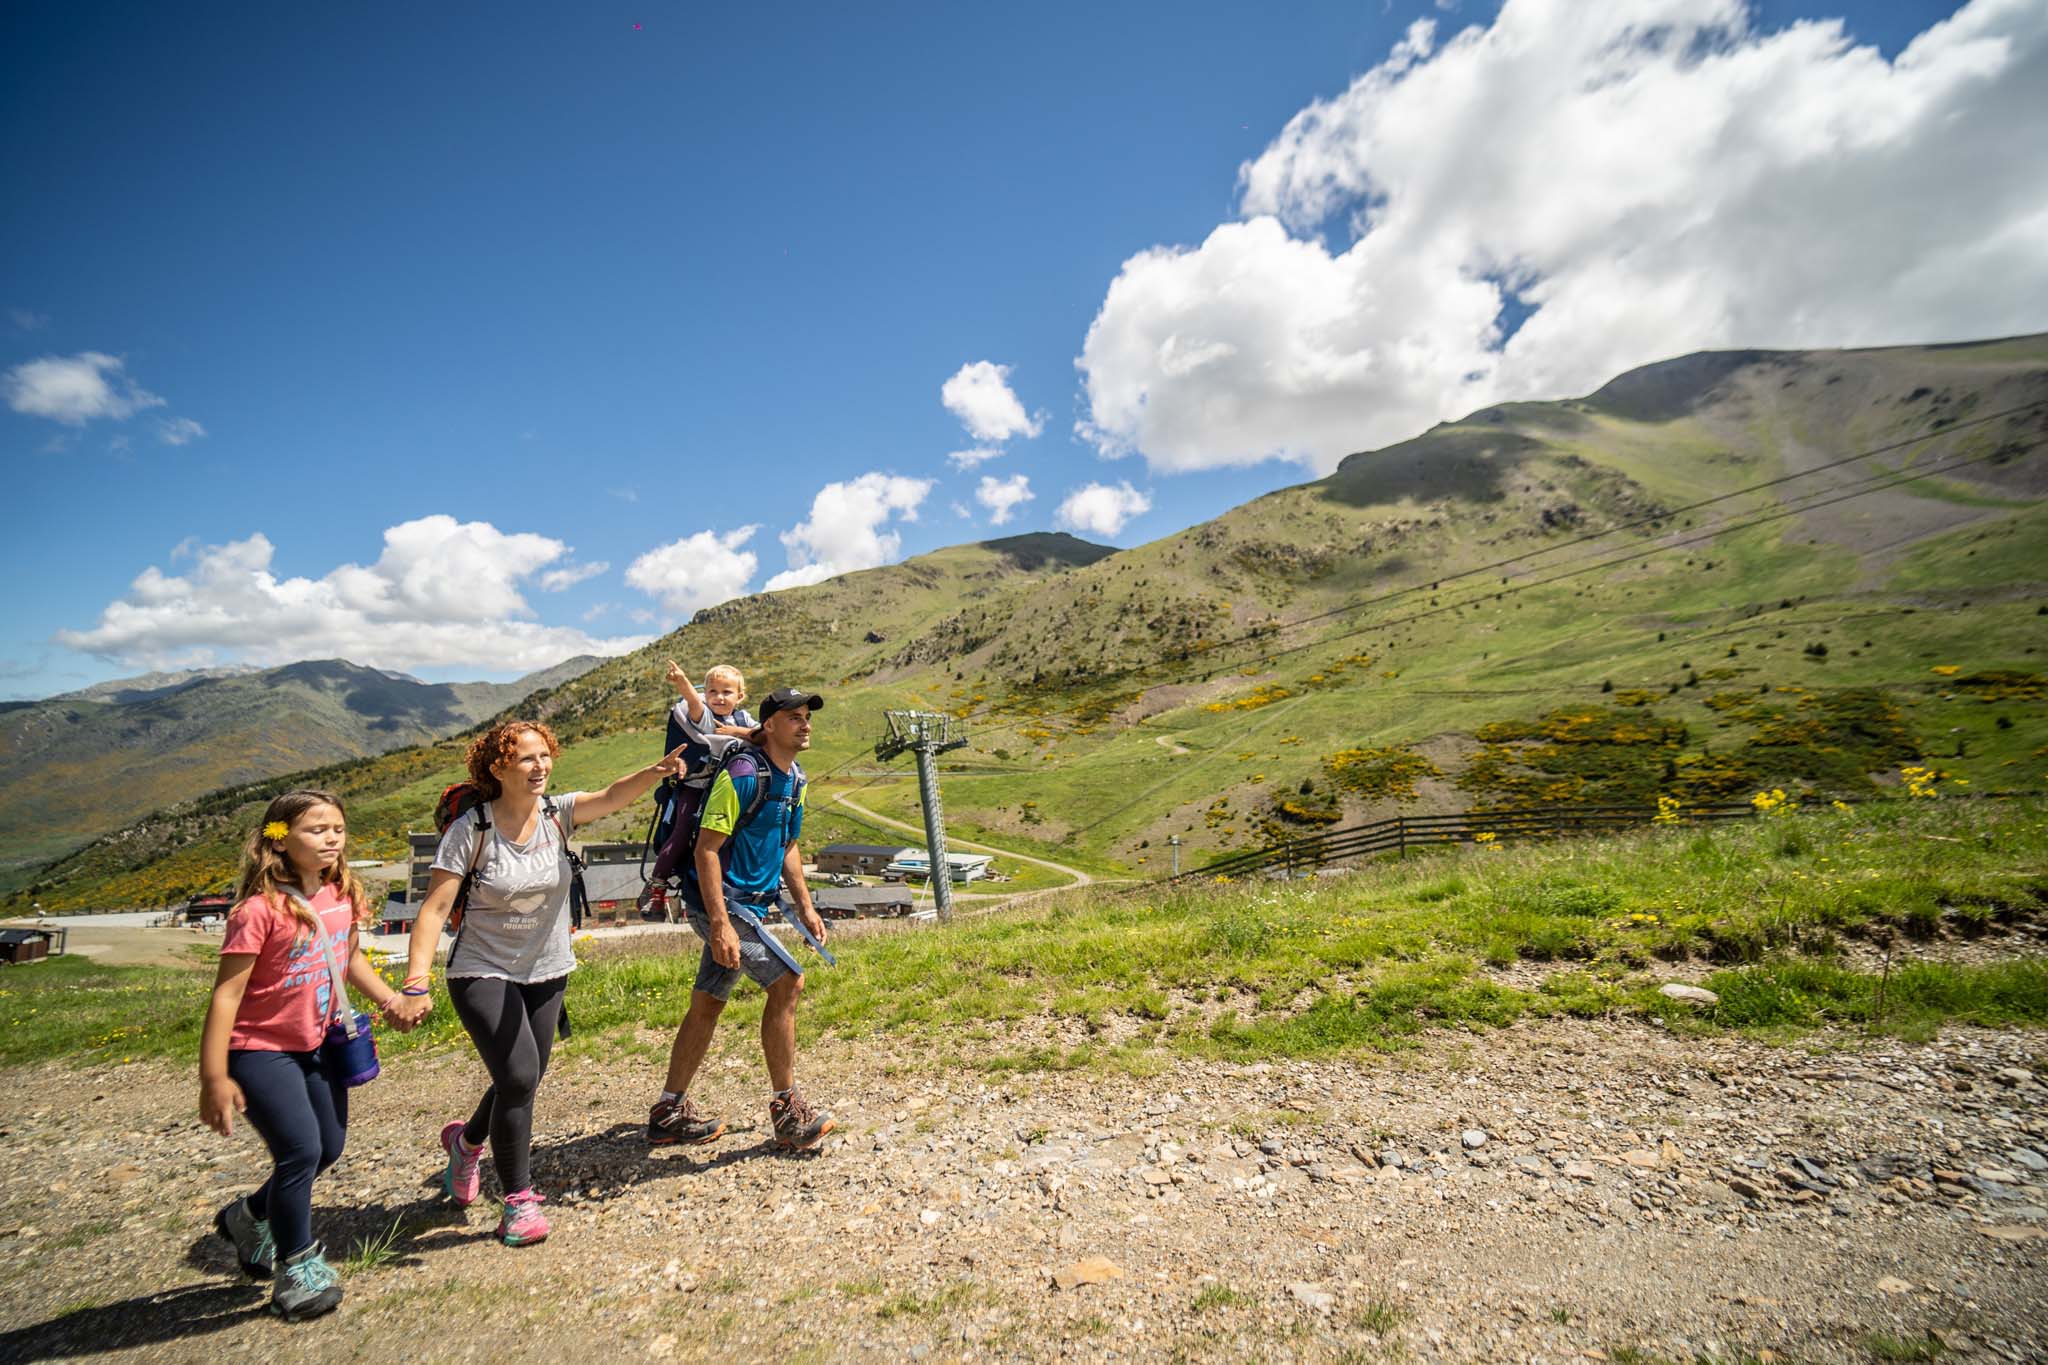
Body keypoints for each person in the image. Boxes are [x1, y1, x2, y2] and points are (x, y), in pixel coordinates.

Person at [385, 719, 683, 1246]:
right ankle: (517, 1202)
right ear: (498, 767)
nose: (540, 766)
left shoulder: (555, 814)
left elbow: (612, 797)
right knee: (520, 1076)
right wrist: (415, 981)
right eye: (527, 758)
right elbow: (433, 910)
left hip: (547, 967)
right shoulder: (471, 830)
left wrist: (654, 772)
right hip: (481, 968)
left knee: (521, 1076)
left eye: (545, 755)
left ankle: (467, 1143)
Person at [199, 789, 411, 1321]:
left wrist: (388, 999)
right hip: (259, 1050)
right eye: (316, 830)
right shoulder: (258, 910)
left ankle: (249, 1215)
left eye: (337, 828)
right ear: (279, 839)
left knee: (328, 1148)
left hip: (318, 1045)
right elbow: (226, 995)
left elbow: (350, 958)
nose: (331, 838)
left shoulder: (342, 894)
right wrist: (214, 1077)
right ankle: (296, 1268)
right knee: (298, 1152)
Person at [648, 688, 834, 1151]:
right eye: (794, 717)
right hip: (722, 904)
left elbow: (788, 845)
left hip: (748, 906)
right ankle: (787, 1112)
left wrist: (806, 906)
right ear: (769, 725)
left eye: (807, 717)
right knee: (788, 983)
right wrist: (719, 924)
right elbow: (706, 848)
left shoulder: (796, 780)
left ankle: (668, 1111)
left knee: (709, 1002)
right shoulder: (744, 773)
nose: (805, 724)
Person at [643, 661, 759, 912]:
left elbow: (761, 735)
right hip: (697, 788)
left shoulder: (742, 718)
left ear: (740, 696)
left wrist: (735, 730)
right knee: (682, 832)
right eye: (712, 691)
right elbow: (694, 704)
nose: (718, 697)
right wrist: (683, 681)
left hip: (729, 789)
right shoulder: (704, 716)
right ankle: (657, 886)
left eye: (726, 692)